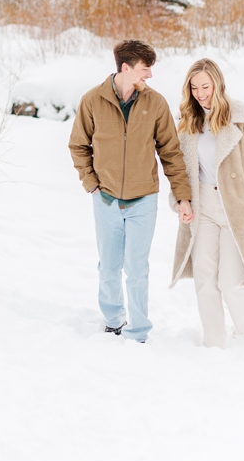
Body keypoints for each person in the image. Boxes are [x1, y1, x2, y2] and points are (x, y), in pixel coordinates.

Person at [69, 39, 193, 343]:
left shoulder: (156, 103)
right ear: (125, 68)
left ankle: (138, 331)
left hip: (143, 199)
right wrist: (92, 184)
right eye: (144, 68)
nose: (149, 74)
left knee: (137, 268)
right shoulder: (93, 101)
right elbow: (78, 145)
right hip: (106, 198)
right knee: (109, 267)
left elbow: (171, 153)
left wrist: (182, 196)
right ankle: (113, 320)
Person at [169, 58, 244, 348]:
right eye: (194, 87)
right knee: (204, 277)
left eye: (205, 86)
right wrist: (181, 200)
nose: (201, 93)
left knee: (230, 281)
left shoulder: (242, 118)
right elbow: (178, 167)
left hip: (236, 206)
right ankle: (213, 340)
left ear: (217, 84)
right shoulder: (188, 122)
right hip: (203, 203)